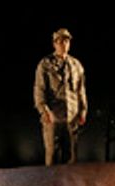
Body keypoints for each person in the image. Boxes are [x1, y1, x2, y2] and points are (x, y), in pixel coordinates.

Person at [34, 27, 87, 165]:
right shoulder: (45, 64)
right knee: (52, 157)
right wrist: (44, 111)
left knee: (71, 158)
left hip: (72, 117)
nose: (63, 44)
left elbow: (81, 90)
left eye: (66, 41)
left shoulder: (76, 65)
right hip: (53, 117)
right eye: (60, 41)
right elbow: (39, 90)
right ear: (54, 44)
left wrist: (83, 111)